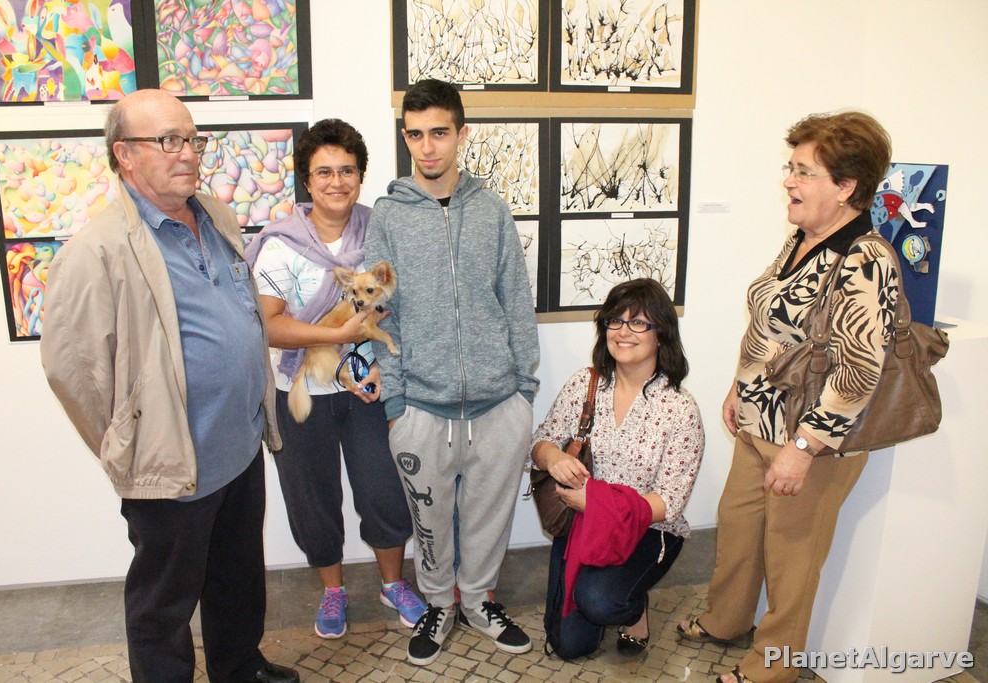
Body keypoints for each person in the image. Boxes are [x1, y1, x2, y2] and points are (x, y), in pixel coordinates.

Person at [40, 90, 298, 682]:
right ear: (124, 154)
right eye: (168, 140)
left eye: (192, 139)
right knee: (164, 604)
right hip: (170, 466)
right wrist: (127, 441)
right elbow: (71, 368)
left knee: (237, 577)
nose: (188, 153)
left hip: (239, 448)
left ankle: (239, 667)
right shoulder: (97, 250)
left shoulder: (216, 215)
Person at [677, 111, 897, 683]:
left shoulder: (866, 260)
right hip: (759, 423)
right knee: (738, 529)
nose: (789, 181)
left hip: (808, 443)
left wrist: (804, 448)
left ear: (846, 186)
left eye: (803, 171)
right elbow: (771, 323)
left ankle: (771, 668)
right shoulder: (802, 238)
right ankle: (726, 620)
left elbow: (859, 371)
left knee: (791, 560)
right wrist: (739, 384)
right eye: (790, 167)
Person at [363, 78, 540, 666]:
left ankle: (479, 602)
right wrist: (395, 402)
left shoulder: (491, 210)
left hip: (498, 403)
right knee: (431, 522)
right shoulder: (388, 216)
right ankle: (438, 604)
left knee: (489, 518)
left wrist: (523, 390)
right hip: (420, 407)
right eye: (415, 135)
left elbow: (515, 300)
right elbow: (378, 309)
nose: (428, 146)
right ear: (405, 137)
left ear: (462, 134)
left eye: (439, 132)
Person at [244, 118, 424, 639]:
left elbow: (403, 308)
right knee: (312, 499)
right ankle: (333, 590)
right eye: (324, 172)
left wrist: (377, 363)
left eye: (347, 170)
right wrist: (337, 342)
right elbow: (270, 325)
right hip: (302, 389)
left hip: (370, 389)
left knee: (385, 490)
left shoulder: (381, 233)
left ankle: (393, 583)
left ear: (361, 176)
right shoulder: (281, 244)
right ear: (306, 179)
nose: (337, 182)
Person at [530, 278, 704, 660]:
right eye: (615, 321)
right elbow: (539, 442)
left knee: (599, 602)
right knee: (568, 646)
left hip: (647, 531)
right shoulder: (585, 383)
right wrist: (553, 458)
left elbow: (669, 503)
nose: (624, 332)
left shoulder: (679, 408)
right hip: (582, 525)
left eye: (638, 322)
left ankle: (633, 608)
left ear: (661, 333)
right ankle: (608, 598)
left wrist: (596, 502)